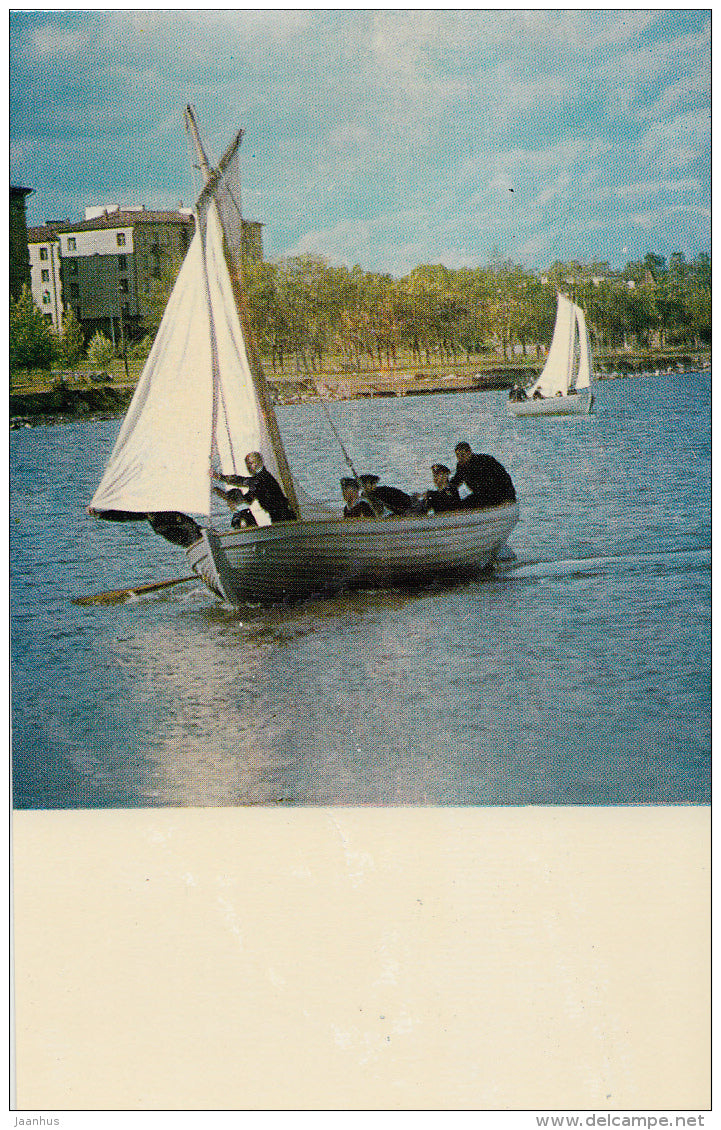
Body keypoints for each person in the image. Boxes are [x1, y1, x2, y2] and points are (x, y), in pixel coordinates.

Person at [214, 451, 296, 523]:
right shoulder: (260, 478)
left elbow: (243, 482)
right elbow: (249, 496)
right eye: (247, 464)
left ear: (258, 462)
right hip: (277, 515)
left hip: (283, 515)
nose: (249, 467)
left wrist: (221, 478)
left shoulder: (262, 478)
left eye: (250, 463)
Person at [86, 507, 203, 548]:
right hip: (182, 537)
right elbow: (124, 515)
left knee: (194, 533)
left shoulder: (164, 510)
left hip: (191, 533)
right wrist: (100, 514)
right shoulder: (147, 513)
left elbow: (189, 524)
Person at [450, 442, 516, 509]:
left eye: (462, 455)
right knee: (460, 504)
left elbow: (504, 477)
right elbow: (456, 481)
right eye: (457, 456)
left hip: (497, 494)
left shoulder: (485, 460)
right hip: (481, 495)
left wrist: (510, 497)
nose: (460, 459)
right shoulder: (461, 466)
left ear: (469, 452)